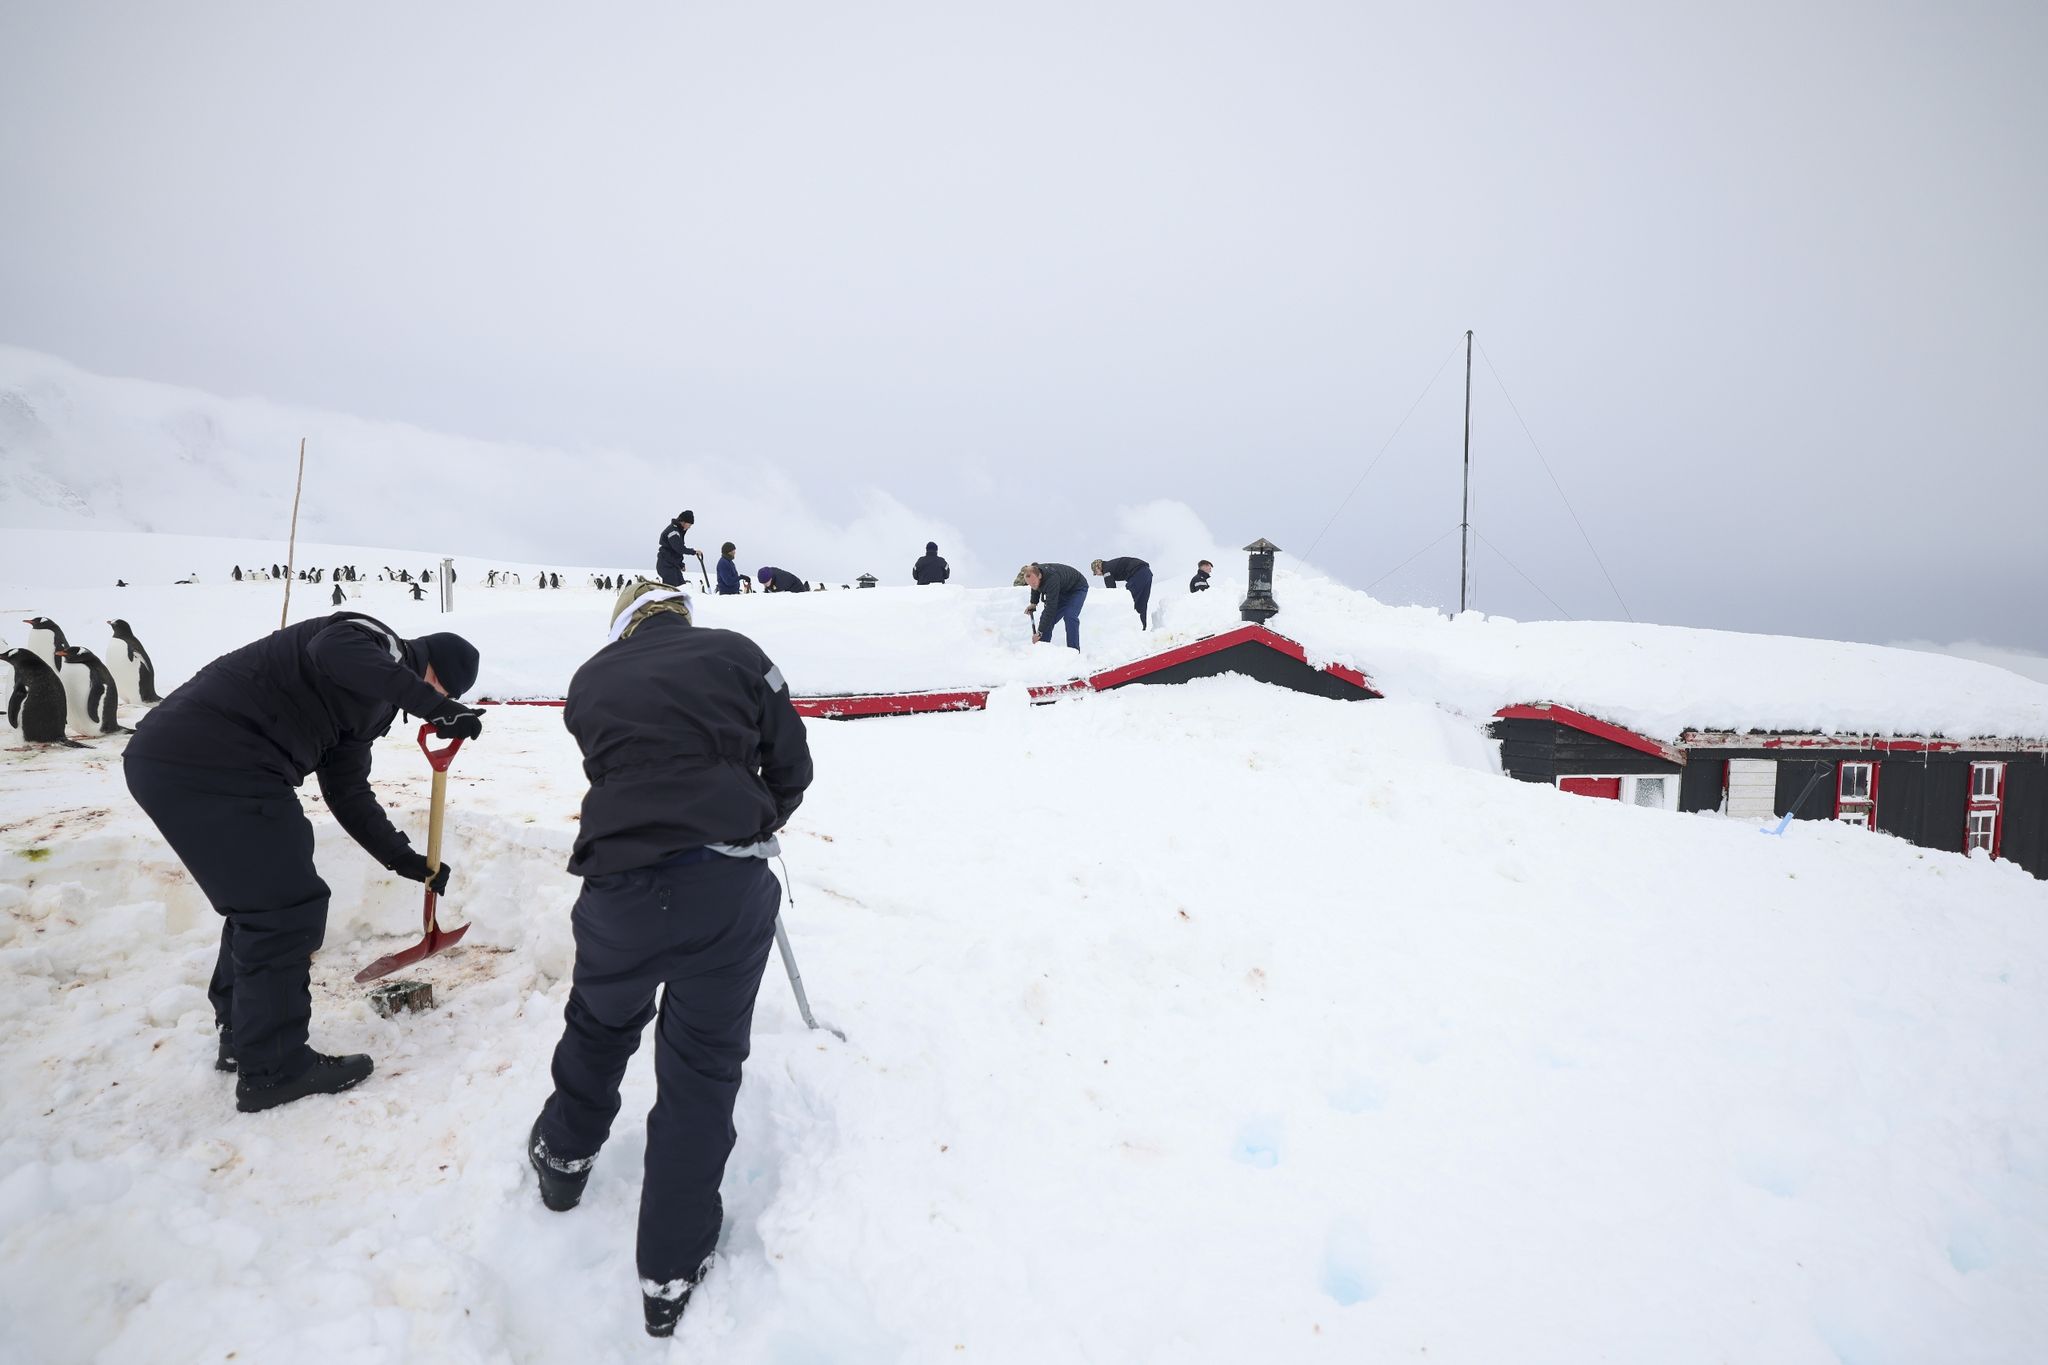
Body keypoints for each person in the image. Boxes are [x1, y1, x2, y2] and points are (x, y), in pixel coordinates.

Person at [527, 579, 813, 1338]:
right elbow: (792, 762)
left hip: (618, 888)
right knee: (703, 1065)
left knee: (600, 1022)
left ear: (624, 627)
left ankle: (562, 1158)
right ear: (682, 615)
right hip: (724, 886)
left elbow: (612, 766)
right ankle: (670, 1267)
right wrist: (756, 819)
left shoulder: (589, 679)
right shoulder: (738, 654)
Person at [123, 613, 485, 1112]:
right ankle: (275, 1069)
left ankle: (243, 1037)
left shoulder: (372, 703)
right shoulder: (368, 639)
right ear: (435, 675)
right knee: (285, 910)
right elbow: (330, 650)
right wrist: (438, 708)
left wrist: (403, 858)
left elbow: (348, 790)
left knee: (263, 906)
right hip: (214, 760)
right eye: (439, 692)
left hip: (190, 762)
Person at [1023, 562, 1087, 649]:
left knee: (1069, 616)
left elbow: (1050, 608)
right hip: (1062, 589)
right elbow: (1035, 587)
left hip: (1077, 588)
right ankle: (1042, 648)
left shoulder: (1051, 579)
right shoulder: (1035, 574)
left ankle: (1073, 651)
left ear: (1040, 576)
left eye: (1033, 583)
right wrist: (1033, 603)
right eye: (1030, 584)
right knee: (1048, 619)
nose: (1032, 586)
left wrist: (1040, 632)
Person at [1091, 556, 1154, 629]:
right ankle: (1143, 628)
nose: (1097, 575)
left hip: (1138, 573)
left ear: (1098, 567)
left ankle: (1135, 628)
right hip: (1147, 572)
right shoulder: (1110, 565)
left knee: (1129, 600)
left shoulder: (1106, 570)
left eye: (1096, 572)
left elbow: (1111, 591)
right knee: (1142, 602)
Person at [657, 511, 704, 588]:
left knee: (682, 587)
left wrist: (680, 565)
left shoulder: (678, 531)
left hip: (673, 565)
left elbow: (675, 552)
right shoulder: (673, 531)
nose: (690, 527)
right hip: (666, 565)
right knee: (674, 590)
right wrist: (694, 552)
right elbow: (679, 548)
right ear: (684, 522)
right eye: (689, 524)